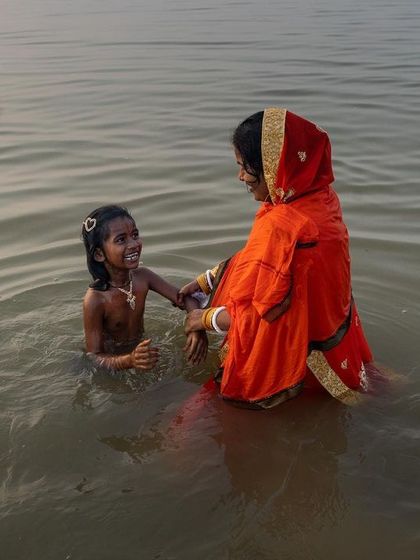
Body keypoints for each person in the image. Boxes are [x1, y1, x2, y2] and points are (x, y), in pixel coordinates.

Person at [180, 108, 373, 408]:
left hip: (293, 359)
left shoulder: (281, 225)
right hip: (332, 347)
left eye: (245, 166)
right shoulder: (321, 200)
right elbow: (261, 262)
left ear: (272, 166)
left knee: (184, 428)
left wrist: (200, 319)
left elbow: (253, 317)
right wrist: (208, 280)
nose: (240, 176)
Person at [81, 205, 207, 371]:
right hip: (113, 367)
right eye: (121, 239)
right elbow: (94, 357)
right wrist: (129, 361)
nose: (134, 244)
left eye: (135, 235)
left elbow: (186, 297)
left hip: (142, 353)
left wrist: (197, 327)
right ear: (99, 254)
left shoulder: (143, 277)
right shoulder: (95, 299)